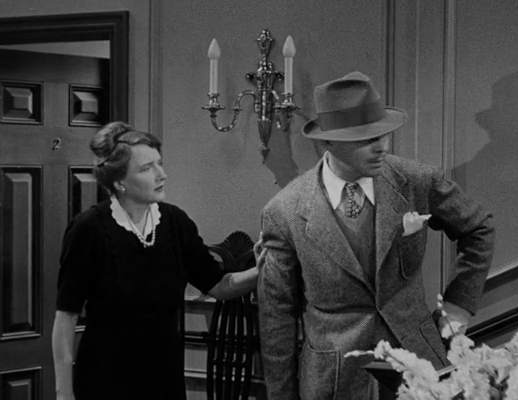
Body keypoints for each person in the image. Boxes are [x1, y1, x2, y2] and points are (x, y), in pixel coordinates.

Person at [257, 71, 495, 399]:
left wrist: (458, 305)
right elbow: (277, 317)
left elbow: (479, 228)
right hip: (333, 379)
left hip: (418, 368)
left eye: (383, 135)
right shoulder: (284, 212)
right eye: (367, 140)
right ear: (328, 142)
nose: (382, 147)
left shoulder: (416, 181)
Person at [51, 121, 264, 400]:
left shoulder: (175, 223)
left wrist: (263, 270)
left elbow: (220, 285)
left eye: (159, 164)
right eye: (146, 168)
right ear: (119, 182)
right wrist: (63, 394)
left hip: (164, 379)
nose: (161, 174)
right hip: (104, 381)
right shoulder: (88, 229)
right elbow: (66, 318)